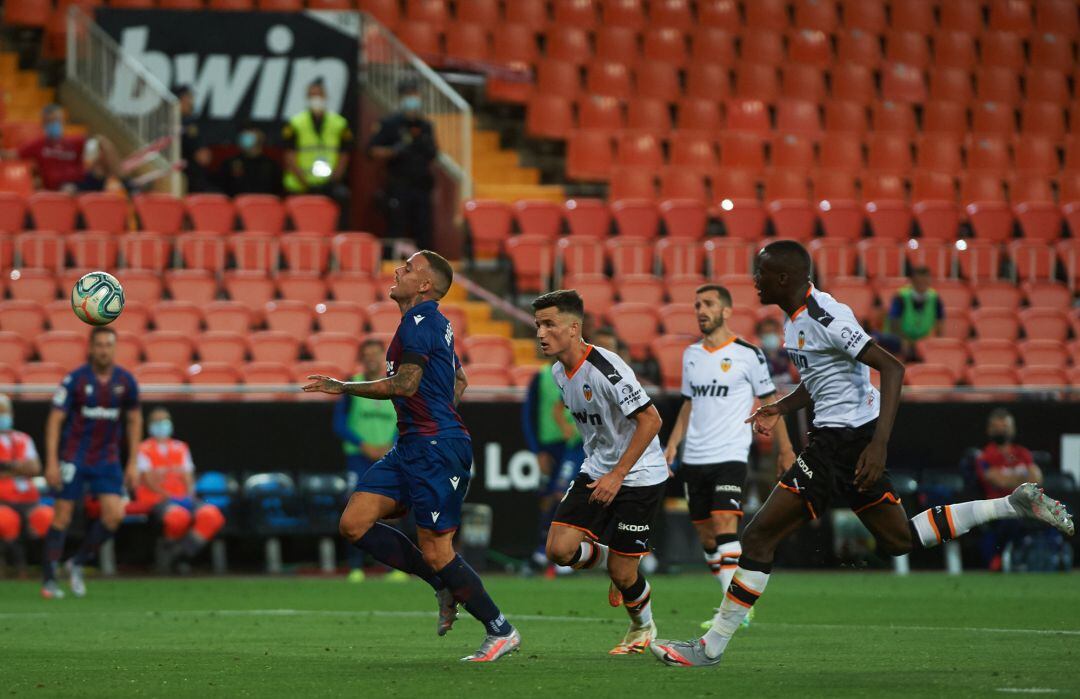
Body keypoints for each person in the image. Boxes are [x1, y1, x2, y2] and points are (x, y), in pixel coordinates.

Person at [650, 240, 1074, 668]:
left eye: (760, 273)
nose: (754, 280)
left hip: (843, 443)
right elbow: (820, 380)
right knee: (898, 540)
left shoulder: (825, 315)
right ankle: (1011, 504)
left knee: (759, 537)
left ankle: (710, 648)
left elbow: (892, 368)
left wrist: (878, 445)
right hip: (838, 442)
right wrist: (781, 407)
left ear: (783, 277)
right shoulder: (794, 320)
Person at [302, 250, 520, 663]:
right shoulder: (428, 324)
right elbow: (459, 379)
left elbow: (404, 385)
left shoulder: (422, 322)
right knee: (354, 523)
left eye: (408, 268)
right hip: (412, 445)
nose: (398, 270)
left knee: (438, 549)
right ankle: (441, 585)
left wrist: (342, 387)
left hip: (435, 447)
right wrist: (436, 413)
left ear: (424, 285)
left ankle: (500, 629)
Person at [534, 290, 667, 656]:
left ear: (573, 328)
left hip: (639, 474)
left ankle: (642, 627)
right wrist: (604, 469)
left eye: (549, 324)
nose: (541, 333)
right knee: (559, 550)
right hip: (596, 468)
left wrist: (617, 475)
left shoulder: (607, 369)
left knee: (624, 576)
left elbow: (651, 420)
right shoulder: (558, 372)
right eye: (538, 325)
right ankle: (618, 558)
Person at [663, 285, 795, 602]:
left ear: (726, 311)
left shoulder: (748, 354)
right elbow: (688, 403)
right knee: (707, 537)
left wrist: (786, 449)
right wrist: (672, 445)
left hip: (731, 455)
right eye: (697, 305)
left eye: (708, 304)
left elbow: (770, 402)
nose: (701, 310)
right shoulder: (691, 355)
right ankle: (731, 598)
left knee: (725, 523)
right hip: (694, 457)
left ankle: (734, 609)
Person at [41, 326, 142, 599]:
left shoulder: (126, 381)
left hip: (107, 458)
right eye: (99, 345)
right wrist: (52, 461)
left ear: (115, 348)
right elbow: (55, 419)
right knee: (62, 514)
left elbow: (134, 419)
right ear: (90, 348)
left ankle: (77, 562)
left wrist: (133, 462)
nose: (104, 350)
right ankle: (49, 579)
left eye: (109, 345)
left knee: (114, 515)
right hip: (75, 456)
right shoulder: (75, 380)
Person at [331, 338, 399, 582]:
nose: (371, 359)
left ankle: (394, 567)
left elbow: (404, 421)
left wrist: (391, 444)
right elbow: (339, 424)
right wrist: (363, 445)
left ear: (383, 357)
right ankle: (356, 567)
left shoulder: (395, 385)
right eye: (367, 354)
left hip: (388, 458)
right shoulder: (352, 387)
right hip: (358, 460)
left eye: (375, 354)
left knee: (392, 511)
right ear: (361, 358)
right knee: (355, 511)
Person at [132, 407, 225, 572]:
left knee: (212, 515)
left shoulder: (181, 447)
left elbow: (188, 476)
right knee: (177, 518)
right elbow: (148, 480)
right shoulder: (143, 449)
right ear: (150, 425)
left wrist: (189, 495)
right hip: (158, 500)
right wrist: (169, 495)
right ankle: (173, 559)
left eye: (165, 421)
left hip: (183, 498)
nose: (161, 425)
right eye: (157, 421)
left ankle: (179, 554)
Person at [521, 363, 583, 572]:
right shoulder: (542, 376)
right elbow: (530, 413)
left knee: (564, 494)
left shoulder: (585, 372)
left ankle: (561, 551)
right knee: (551, 497)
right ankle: (545, 549)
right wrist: (537, 450)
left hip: (578, 446)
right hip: (554, 447)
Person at [368, 80, 438, 251]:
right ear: (401, 98)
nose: (413, 99)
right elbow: (371, 150)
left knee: (423, 230)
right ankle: (392, 263)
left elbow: (433, 153)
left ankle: (425, 264)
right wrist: (394, 151)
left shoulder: (425, 126)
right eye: (409, 95)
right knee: (396, 228)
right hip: (399, 185)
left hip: (421, 185)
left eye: (415, 95)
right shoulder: (390, 124)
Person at [974, 408, 1044, 569]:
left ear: (1012, 429)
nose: (1001, 431)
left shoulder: (1022, 453)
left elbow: (1038, 479)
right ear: (989, 430)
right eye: (996, 427)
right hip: (998, 508)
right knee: (1010, 521)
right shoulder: (984, 456)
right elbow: (999, 482)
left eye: (1005, 426)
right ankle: (1001, 558)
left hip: (1027, 506)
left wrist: (1010, 479)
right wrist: (1023, 478)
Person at [283, 79, 353, 225]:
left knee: (343, 197)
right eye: (312, 95)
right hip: (301, 184)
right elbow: (289, 156)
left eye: (319, 95)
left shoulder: (339, 123)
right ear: (307, 98)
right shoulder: (296, 123)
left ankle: (339, 236)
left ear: (326, 96)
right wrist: (304, 181)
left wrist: (334, 179)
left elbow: (344, 154)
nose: (316, 99)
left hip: (329, 183)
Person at [0, 395, 53, 574]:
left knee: (46, 517)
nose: (3, 416)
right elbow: (27, 468)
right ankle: (16, 567)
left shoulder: (23, 439)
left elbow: (35, 468)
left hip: (29, 501)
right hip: (3, 501)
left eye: (4, 412)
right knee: (5, 520)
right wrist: (22, 468)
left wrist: (7, 467)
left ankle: (48, 569)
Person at [13, 104, 118, 192]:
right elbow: (12, 155)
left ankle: (123, 181)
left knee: (101, 146)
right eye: (50, 121)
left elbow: (103, 147)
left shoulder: (76, 141)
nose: (54, 125)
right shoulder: (37, 145)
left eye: (57, 121)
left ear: (63, 122)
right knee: (64, 189)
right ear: (44, 124)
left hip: (79, 186)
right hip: (56, 190)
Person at [885, 266, 944, 358]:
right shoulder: (900, 297)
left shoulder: (935, 299)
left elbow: (940, 325)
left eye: (925, 282)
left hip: (922, 342)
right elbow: (894, 325)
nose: (922, 285)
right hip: (900, 341)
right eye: (919, 282)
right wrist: (904, 342)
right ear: (912, 281)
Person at [217, 126, 282, 196]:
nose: (246, 136)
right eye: (244, 134)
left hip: (264, 201)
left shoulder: (271, 165)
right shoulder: (230, 163)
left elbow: (277, 191)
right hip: (237, 201)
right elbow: (222, 190)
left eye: (251, 132)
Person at [176, 86, 216, 193]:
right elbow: (203, 158)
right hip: (192, 182)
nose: (191, 102)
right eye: (188, 98)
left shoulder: (169, 123)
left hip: (182, 180)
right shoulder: (190, 124)